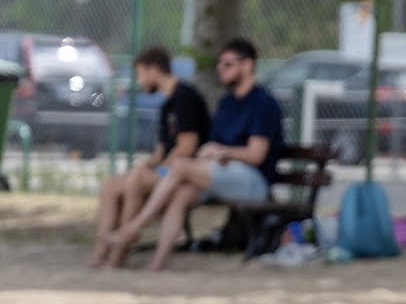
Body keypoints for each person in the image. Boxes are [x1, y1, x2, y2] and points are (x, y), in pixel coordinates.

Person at [107, 38, 285, 271]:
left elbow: (256, 155)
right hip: (221, 174)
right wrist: (210, 154)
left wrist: (222, 152)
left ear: (248, 65)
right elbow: (211, 146)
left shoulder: (263, 103)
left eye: (228, 64)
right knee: (181, 194)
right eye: (219, 64)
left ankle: (134, 227)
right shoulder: (227, 103)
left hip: (253, 182)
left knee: (181, 166)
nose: (220, 69)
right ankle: (159, 262)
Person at [89, 46, 211, 268]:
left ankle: (120, 251)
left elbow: (187, 147)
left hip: (185, 174)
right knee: (110, 186)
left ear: (153, 70)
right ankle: (101, 251)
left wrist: (156, 169)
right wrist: (149, 164)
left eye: (140, 74)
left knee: (137, 178)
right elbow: (163, 150)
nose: (140, 81)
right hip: (166, 169)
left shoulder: (184, 97)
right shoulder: (167, 104)